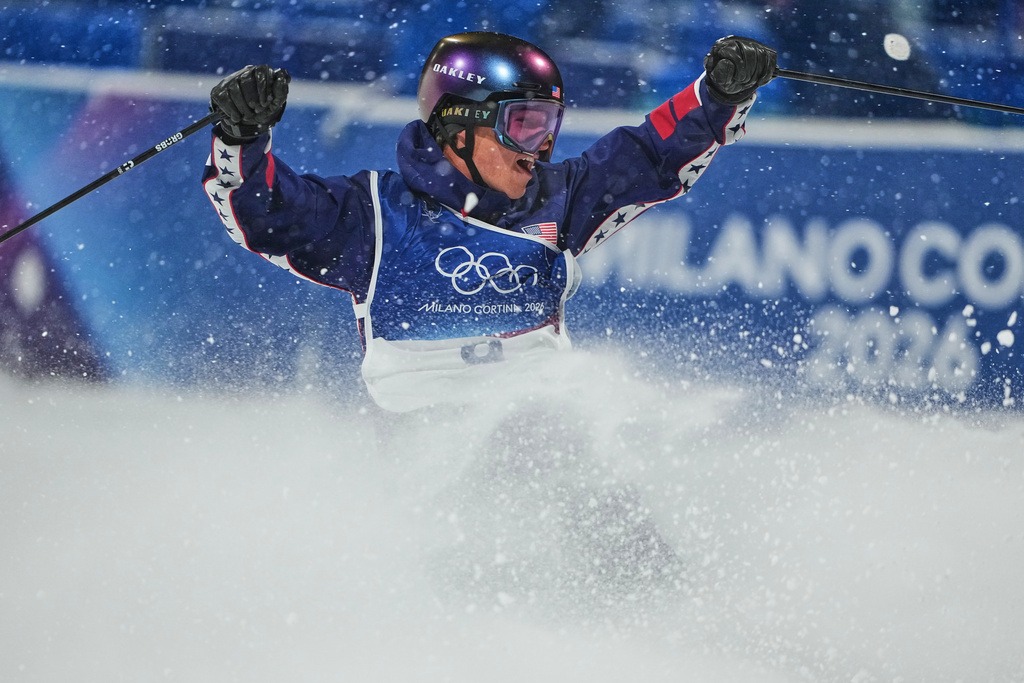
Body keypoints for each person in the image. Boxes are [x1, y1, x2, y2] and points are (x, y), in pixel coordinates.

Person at [202, 31, 776, 413]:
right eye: (525, 125)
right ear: (458, 128)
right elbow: (266, 214)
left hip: (543, 423)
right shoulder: (373, 214)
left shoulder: (560, 201)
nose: (542, 147)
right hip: (426, 437)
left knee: (614, 517)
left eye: (550, 125)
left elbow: (653, 154)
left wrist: (723, 94)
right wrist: (241, 137)